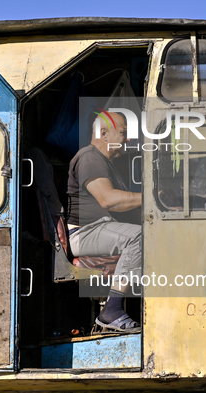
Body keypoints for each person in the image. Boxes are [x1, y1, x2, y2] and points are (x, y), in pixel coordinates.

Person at [67, 111, 142, 333]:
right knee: (141, 237)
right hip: (85, 232)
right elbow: (108, 200)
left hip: (99, 228)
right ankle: (112, 311)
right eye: (123, 133)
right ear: (103, 133)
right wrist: (151, 198)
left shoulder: (106, 163)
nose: (127, 139)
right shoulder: (90, 157)